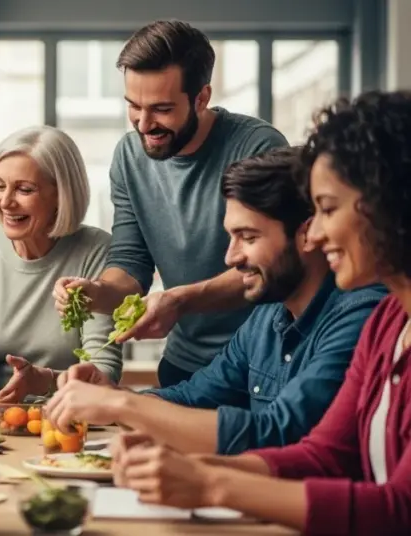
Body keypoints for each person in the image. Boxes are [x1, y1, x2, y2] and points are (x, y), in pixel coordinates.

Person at [113, 91, 411, 534]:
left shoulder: (363, 312)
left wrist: (211, 482)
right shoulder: (389, 323)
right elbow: (324, 454)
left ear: (390, 204)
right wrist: (189, 469)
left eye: (328, 209)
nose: (319, 232)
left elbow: (399, 510)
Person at [44, 147, 386, 454]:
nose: (231, 257)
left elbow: (283, 431)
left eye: (248, 237)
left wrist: (120, 406)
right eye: (231, 236)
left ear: (307, 235)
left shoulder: (361, 315)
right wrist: (114, 395)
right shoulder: (267, 314)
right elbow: (193, 398)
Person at [53, 20, 289, 387]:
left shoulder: (258, 148)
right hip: (183, 364)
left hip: (262, 363)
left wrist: (179, 300)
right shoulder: (129, 156)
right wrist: (95, 292)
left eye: (161, 109)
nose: (144, 124)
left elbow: (267, 265)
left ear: (201, 97)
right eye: (133, 106)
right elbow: (131, 263)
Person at [0, 126, 121, 420]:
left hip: (70, 415)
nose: (6, 201)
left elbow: (103, 371)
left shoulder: (96, 250)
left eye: (24, 189)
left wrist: (43, 380)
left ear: (61, 194)